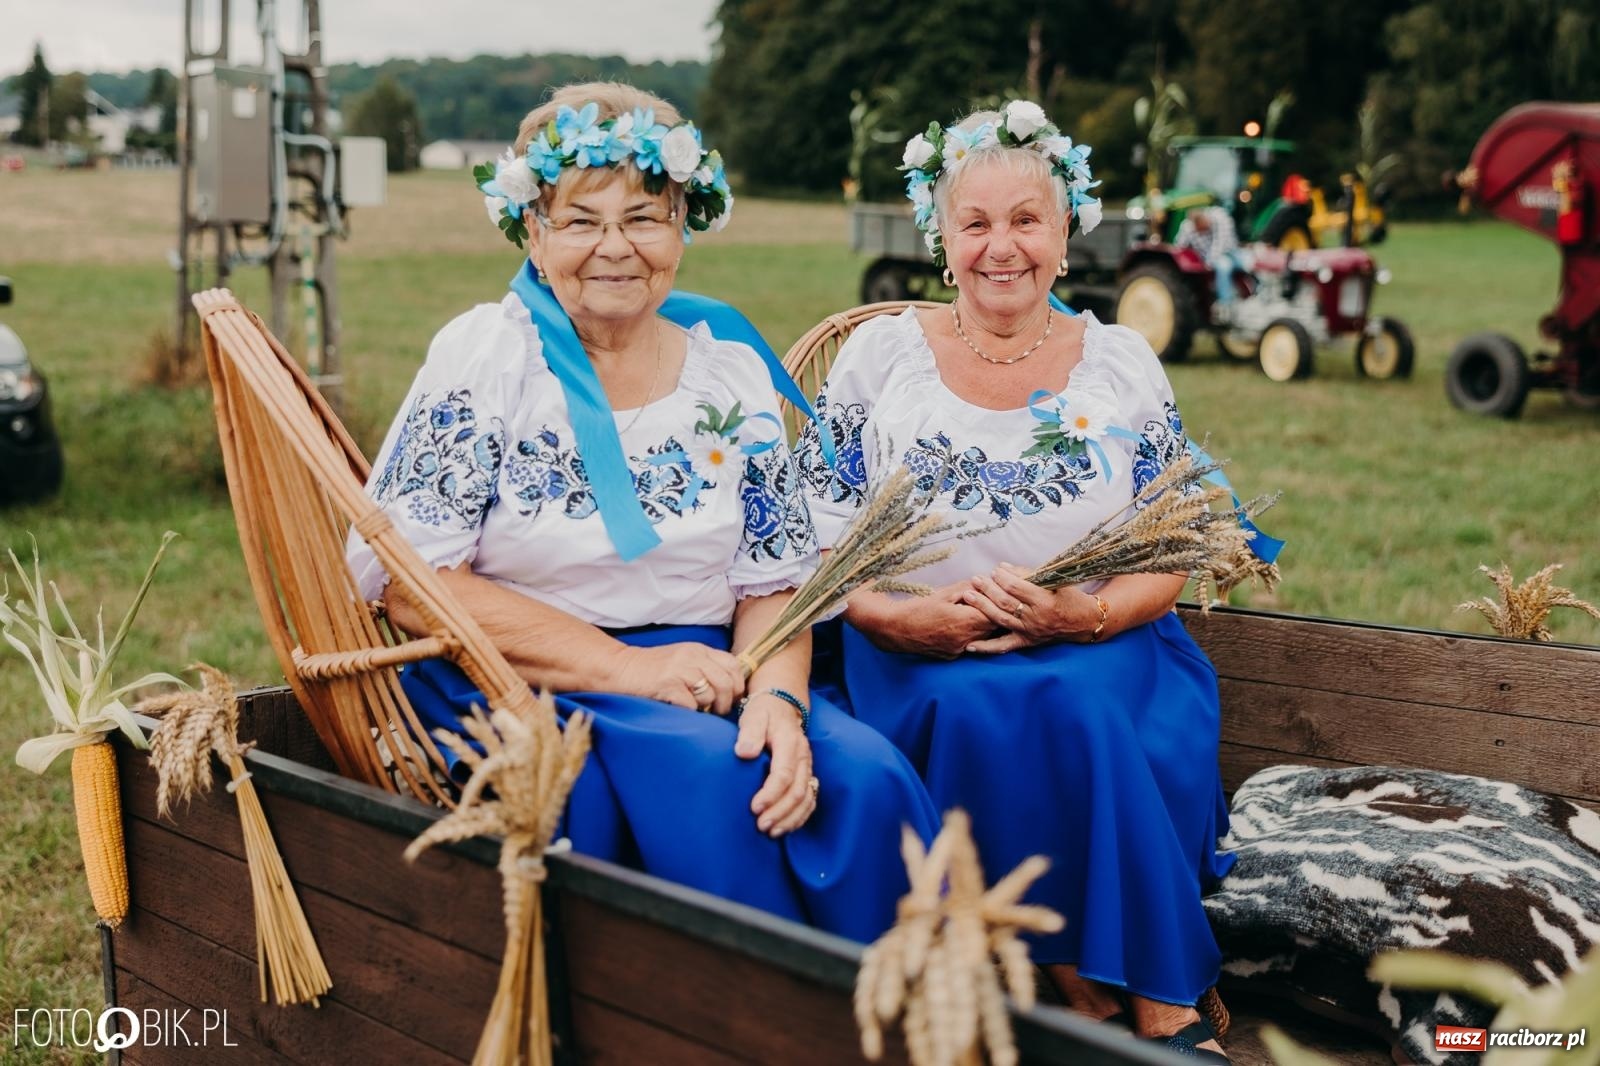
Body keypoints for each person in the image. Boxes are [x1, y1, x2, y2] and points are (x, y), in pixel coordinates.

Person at [347, 82, 937, 942]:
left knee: (868, 782)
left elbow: (773, 581)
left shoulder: (729, 377)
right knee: (713, 786)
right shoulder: (489, 357)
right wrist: (628, 672)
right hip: (527, 675)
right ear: (533, 231)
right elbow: (411, 583)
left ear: (683, 227)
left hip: (712, 670)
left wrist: (777, 700)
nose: (614, 248)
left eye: (644, 218)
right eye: (582, 220)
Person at [797, 101, 1235, 1061]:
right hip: (909, 655)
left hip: (1106, 642)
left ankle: (1134, 996)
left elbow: (1170, 549)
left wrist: (1082, 617)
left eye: (1026, 219)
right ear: (942, 240)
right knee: (985, 708)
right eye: (976, 223)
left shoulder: (1122, 364)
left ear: (1066, 230)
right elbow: (811, 530)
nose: (1003, 247)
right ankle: (1101, 987)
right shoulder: (880, 360)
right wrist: (890, 618)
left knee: (1069, 698)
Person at [1173, 205, 1247, 307]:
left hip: (1228, 251)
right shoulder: (1187, 227)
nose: (1203, 232)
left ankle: (1231, 300)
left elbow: (1220, 245)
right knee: (1223, 266)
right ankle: (1226, 304)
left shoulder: (1220, 218)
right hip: (1205, 257)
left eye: (1205, 228)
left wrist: (1209, 263)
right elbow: (1179, 246)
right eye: (1200, 230)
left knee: (1227, 265)